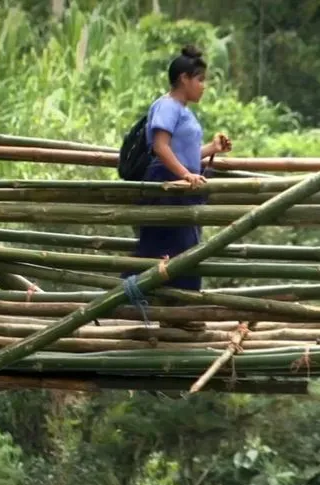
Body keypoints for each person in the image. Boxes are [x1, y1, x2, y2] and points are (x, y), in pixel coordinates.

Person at [123, 45, 232, 331]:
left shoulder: (181, 110)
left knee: (181, 251)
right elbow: (160, 147)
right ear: (184, 79)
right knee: (176, 252)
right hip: (167, 187)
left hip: (180, 186)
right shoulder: (168, 106)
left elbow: (183, 154)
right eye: (200, 79)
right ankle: (180, 315)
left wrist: (213, 148)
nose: (203, 86)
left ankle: (178, 314)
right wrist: (186, 176)